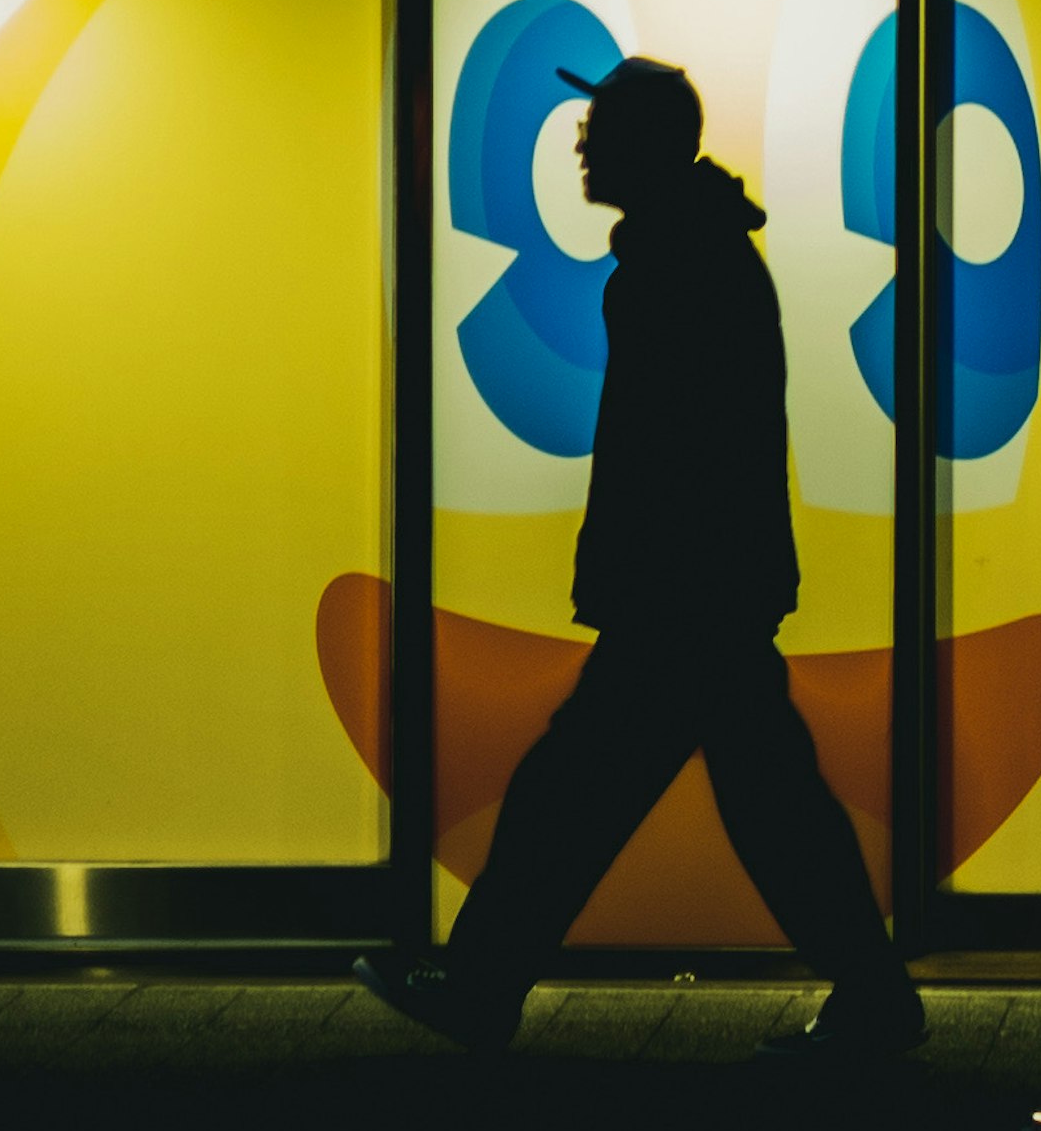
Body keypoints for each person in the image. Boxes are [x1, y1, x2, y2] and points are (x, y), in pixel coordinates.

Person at [358, 56, 925, 1062]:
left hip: (681, 594)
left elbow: (669, 448)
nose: (578, 146)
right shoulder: (695, 250)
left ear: (643, 146)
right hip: (711, 590)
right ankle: (875, 1000)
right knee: (759, 802)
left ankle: (483, 984)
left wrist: (634, 574)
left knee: (573, 794)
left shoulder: (675, 265)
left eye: (598, 130)